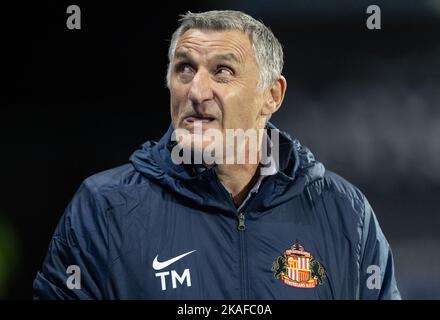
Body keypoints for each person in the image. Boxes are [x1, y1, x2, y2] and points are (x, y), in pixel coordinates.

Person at [33, 10, 401, 299]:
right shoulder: (104, 208)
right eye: (185, 69)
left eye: (222, 71)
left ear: (272, 96)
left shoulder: (346, 214)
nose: (196, 90)